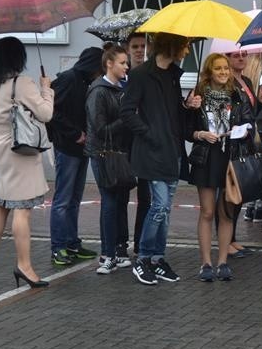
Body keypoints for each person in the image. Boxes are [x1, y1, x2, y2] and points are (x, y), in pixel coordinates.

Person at [120, 32, 201, 285]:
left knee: (164, 211)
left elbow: (174, 114)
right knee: (160, 207)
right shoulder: (141, 74)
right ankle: (143, 258)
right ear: (172, 46)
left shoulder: (173, 76)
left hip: (173, 151)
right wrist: (149, 133)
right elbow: (127, 112)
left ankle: (157, 258)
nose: (187, 52)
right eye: (185, 47)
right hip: (153, 152)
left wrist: (188, 106)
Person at [0, 36, 53, 288]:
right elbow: (45, 113)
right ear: (18, 58)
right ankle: (24, 265)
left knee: (1, 204)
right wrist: (46, 88)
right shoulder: (21, 83)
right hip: (19, 149)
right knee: (22, 209)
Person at [187, 53, 253, 282]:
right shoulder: (197, 95)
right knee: (207, 212)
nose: (224, 72)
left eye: (226, 68)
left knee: (226, 213)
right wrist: (200, 132)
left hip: (230, 157)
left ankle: (222, 262)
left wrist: (239, 132)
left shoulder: (237, 94)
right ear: (209, 71)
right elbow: (184, 130)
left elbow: (249, 124)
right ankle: (205, 263)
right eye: (218, 68)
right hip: (206, 157)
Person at [46, 46, 104, 266]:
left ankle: (72, 243)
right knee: (62, 199)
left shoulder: (85, 82)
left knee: (74, 198)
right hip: (67, 147)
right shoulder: (69, 79)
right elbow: (52, 112)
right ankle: (58, 247)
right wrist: (75, 133)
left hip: (81, 148)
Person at [85, 44, 133, 274]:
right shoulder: (98, 91)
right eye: (123, 62)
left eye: (127, 63)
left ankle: (120, 249)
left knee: (121, 201)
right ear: (109, 64)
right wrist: (126, 118)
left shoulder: (121, 88)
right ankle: (108, 254)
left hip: (121, 153)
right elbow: (100, 128)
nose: (127, 66)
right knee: (110, 201)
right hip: (103, 154)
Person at [226, 50, 262, 257]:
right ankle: (227, 240)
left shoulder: (246, 81)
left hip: (246, 142)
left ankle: (232, 238)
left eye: (243, 55)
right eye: (235, 55)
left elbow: (250, 112)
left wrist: (260, 100)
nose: (241, 58)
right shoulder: (227, 84)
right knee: (231, 194)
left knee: (240, 193)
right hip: (233, 145)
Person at [126, 32, 152, 256]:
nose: (138, 50)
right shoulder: (122, 76)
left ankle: (140, 242)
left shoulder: (151, 76)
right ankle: (118, 244)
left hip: (145, 144)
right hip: (125, 143)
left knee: (146, 197)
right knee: (120, 196)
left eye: (143, 45)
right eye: (134, 46)